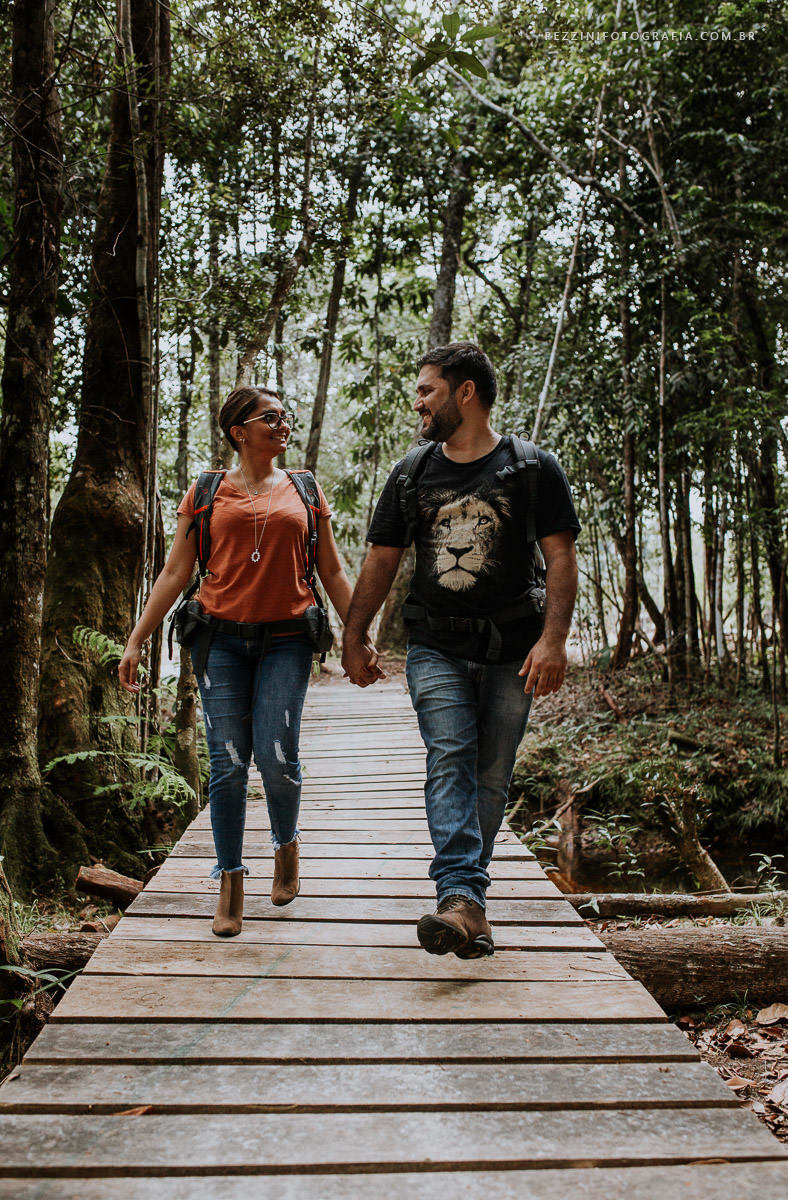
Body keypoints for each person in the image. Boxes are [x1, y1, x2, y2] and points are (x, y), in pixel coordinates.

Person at [342, 343, 579, 959]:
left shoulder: (533, 468)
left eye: (427, 390)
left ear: (465, 392)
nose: (417, 402)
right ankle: (459, 894)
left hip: (514, 649)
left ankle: (469, 906)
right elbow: (382, 558)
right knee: (450, 756)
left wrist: (554, 641)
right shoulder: (412, 472)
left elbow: (560, 557)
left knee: (492, 776)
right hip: (436, 645)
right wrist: (354, 633)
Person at [120, 385, 379, 937]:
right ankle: (230, 881)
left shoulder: (305, 489)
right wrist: (137, 639)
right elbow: (176, 572)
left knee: (278, 756)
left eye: (286, 416)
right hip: (219, 642)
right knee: (229, 762)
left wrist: (357, 636)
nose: (283, 424)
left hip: (288, 638)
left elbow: (332, 570)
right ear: (239, 432)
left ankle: (286, 846)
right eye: (271, 417)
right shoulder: (207, 491)